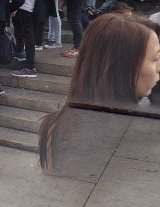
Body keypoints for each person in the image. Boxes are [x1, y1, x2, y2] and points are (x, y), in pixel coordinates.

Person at [39, 14, 160, 174]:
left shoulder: (58, 122)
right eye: (154, 59)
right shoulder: (128, 139)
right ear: (122, 67)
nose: (158, 68)